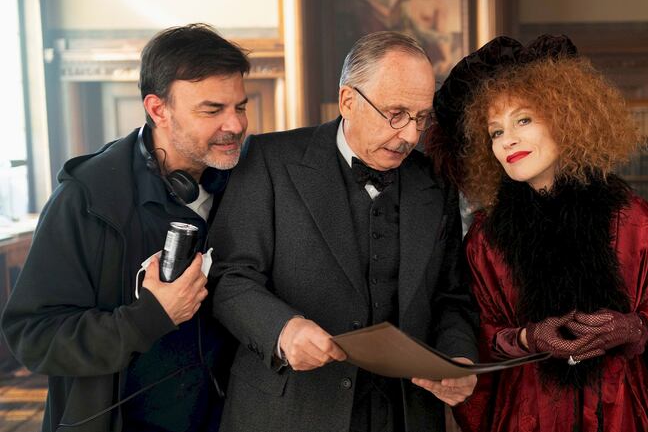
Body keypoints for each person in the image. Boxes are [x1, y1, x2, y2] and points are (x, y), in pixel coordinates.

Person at [208, 31, 477, 432]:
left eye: (421, 118)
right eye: (396, 114)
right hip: (288, 412)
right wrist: (282, 330)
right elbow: (229, 277)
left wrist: (458, 359)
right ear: (348, 100)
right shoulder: (268, 160)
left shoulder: (437, 181)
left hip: (406, 414)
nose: (410, 136)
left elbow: (451, 295)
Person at [426, 35, 648, 432]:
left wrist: (633, 328)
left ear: (566, 117)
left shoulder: (631, 219)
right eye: (495, 132)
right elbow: (474, 335)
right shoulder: (486, 240)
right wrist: (529, 339)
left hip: (618, 413)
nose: (507, 139)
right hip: (528, 414)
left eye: (523, 120)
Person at [1, 23, 250, 432]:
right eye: (212, 110)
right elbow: (32, 336)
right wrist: (148, 317)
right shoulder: (85, 199)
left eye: (239, 107)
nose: (236, 125)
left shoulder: (246, 182)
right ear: (157, 110)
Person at [359, 0, 453, 76]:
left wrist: (447, 58)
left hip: (413, 53)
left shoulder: (439, 5)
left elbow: (442, 35)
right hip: (393, 44)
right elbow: (391, 16)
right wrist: (370, 3)